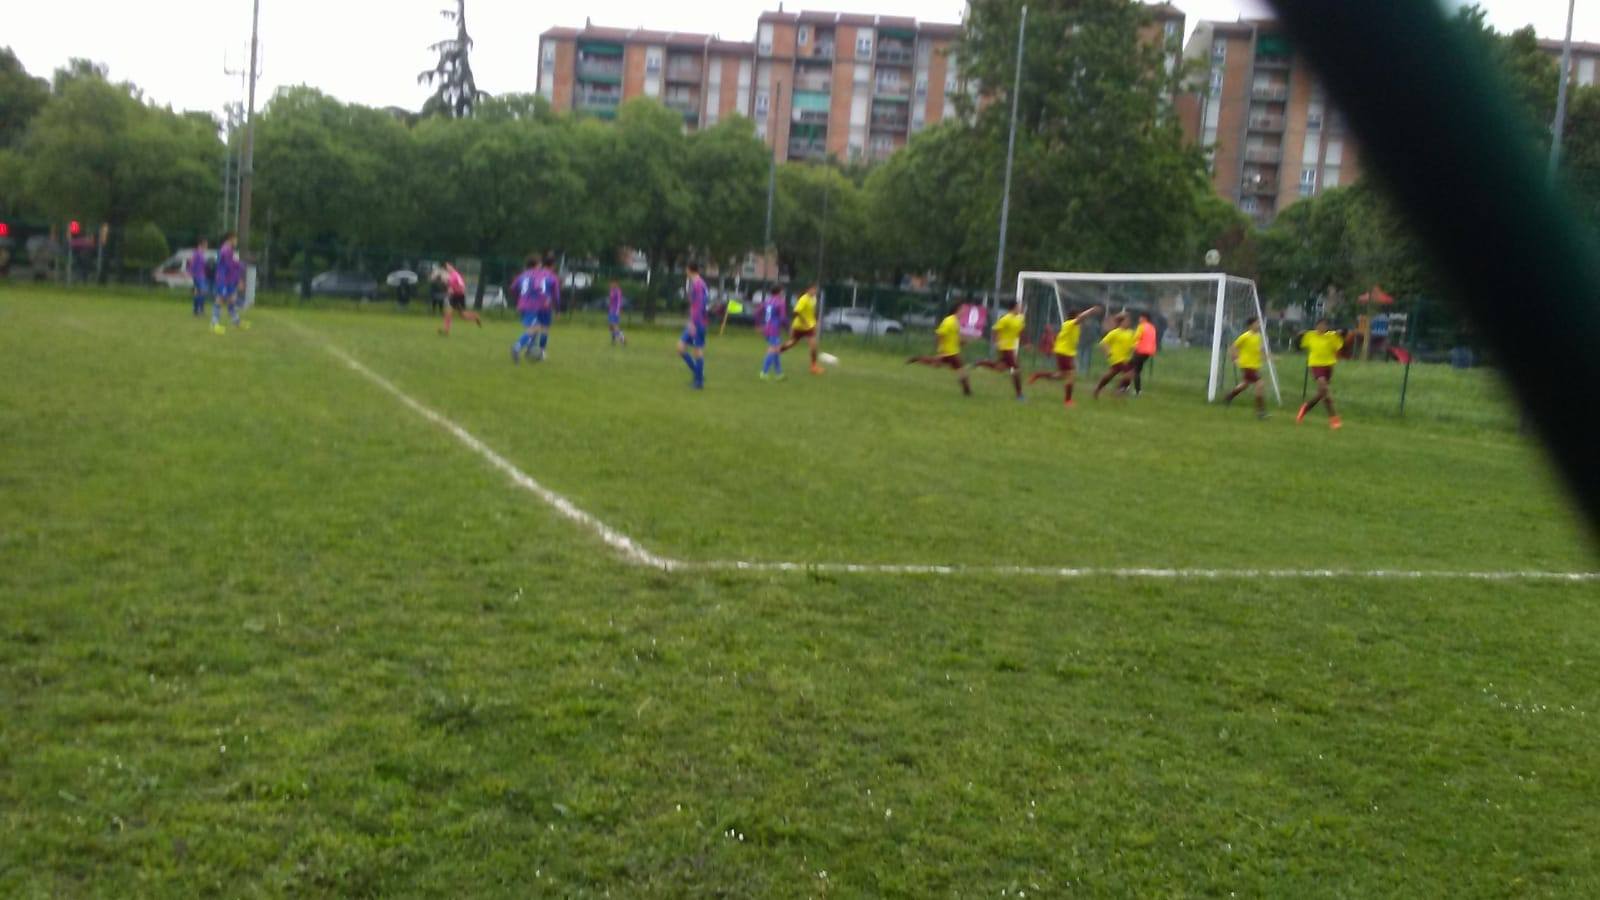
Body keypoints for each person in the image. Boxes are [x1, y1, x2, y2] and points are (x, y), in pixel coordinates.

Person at [1027, 305, 1102, 407]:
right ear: (1075, 316)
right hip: (1064, 352)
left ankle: (1038, 375)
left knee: (1060, 375)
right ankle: (1068, 401)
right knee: (1070, 375)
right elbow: (1081, 318)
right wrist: (1091, 311)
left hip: (1066, 353)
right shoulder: (1070, 324)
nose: (1081, 318)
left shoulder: (1074, 326)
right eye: (1078, 315)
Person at [907, 302, 973, 396]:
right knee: (961, 370)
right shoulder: (949, 321)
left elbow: (954, 338)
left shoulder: (956, 322)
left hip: (953, 352)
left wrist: (963, 342)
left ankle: (917, 359)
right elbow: (940, 335)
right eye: (963, 309)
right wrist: (941, 350)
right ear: (957, 309)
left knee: (935, 363)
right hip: (949, 352)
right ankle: (967, 392)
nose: (964, 311)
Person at [1297, 318, 1344, 429]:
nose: (1322, 327)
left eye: (1324, 325)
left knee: (1322, 394)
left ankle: (1305, 408)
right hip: (1316, 365)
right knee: (1324, 389)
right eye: (1320, 325)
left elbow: (1340, 345)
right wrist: (1299, 336)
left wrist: (1341, 334)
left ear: (1327, 327)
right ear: (1316, 326)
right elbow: (1299, 345)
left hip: (1329, 366)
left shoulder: (1332, 336)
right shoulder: (1310, 335)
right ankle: (1334, 417)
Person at [975, 299, 1026, 400]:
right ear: (1014, 307)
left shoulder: (1020, 318)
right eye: (1019, 306)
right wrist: (996, 342)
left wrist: (1025, 343)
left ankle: (981, 362)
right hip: (1005, 347)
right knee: (1016, 369)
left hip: (1011, 347)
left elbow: (1020, 331)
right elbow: (995, 330)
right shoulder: (1006, 318)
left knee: (999, 368)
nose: (1020, 308)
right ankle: (1019, 395)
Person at [1224, 317, 1270, 419]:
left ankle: (1229, 396)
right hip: (1247, 365)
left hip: (1254, 365)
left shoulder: (1258, 336)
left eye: (1259, 323)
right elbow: (1233, 347)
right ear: (1250, 325)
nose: (1259, 325)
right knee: (1260, 384)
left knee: (1245, 384)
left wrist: (1267, 356)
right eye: (1256, 323)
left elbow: (1258, 350)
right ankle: (1261, 411)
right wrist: (1234, 358)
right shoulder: (1245, 336)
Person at [779, 282, 823, 375]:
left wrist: (815, 321)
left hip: (809, 327)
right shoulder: (803, 299)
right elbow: (796, 312)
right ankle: (776, 352)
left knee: (813, 345)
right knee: (792, 343)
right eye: (813, 289)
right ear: (808, 290)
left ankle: (813, 366)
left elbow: (812, 311)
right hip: (799, 326)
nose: (814, 291)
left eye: (815, 289)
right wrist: (805, 321)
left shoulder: (814, 299)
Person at [1093, 313, 1138, 398]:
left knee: (1111, 374)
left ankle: (1097, 389)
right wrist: (1108, 352)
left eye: (1129, 320)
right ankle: (1119, 390)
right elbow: (1103, 343)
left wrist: (1134, 348)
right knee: (1130, 373)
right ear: (1121, 322)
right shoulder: (1115, 332)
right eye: (1127, 320)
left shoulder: (1131, 332)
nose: (1129, 322)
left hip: (1126, 358)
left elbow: (1132, 344)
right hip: (1116, 358)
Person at [678, 262, 709, 390]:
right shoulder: (697, 283)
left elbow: (700, 305)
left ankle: (699, 382)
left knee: (697, 351)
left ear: (689, 270)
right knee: (680, 348)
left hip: (698, 323)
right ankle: (698, 374)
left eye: (686, 269)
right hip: (695, 322)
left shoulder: (698, 284)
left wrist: (694, 322)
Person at [210, 232, 248, 334]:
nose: (236, 242)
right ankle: (214, 324)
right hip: (223, 279)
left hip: (228, 279)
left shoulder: (228, 250)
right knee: (220, 299)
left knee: (232, 299)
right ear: (230, 239)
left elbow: (230, 264)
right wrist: (239, 268)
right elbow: (229, 265)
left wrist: (238, 267)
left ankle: (236, 322)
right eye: (235, 239)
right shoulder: (226, 250)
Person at [510, 255, 542, 363]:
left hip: (522, 304)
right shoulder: (537, 276)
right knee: (533, 328)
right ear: (536, 265)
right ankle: (517, 347)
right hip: (531, 305)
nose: (540, 267)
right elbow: (540, 290)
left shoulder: (522, 275)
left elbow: (513, 288)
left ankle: (530, 351)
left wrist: (519, 298)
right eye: (539, 264)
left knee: (536, 327)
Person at [438, 261, 481, 336]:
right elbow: (450, 286)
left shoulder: (456, 275)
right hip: (454, 296)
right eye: (446, 267)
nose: (447, 268)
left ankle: (475, 316)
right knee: (459, 315)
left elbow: (462, 287)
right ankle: (475, 317)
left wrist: (454, 290)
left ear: (452, 266)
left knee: (457, 314)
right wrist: (448, 287)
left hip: (459, 297)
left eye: (448, 266)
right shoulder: (450, 275)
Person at [758, 286, 788, 381]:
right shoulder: (781, 302)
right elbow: (783, 318)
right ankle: (764, 372)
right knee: (772, 350)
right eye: (782, 291)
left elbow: (757, 312)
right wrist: (787, 328)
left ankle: (779, 373)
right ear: (779, 292)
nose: (783, 293)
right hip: (774, 329)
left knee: (776, 351)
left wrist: (758, 324)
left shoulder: (767, 301)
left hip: (766, 328)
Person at [1131, 312, 1158, 395]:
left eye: (1140, 317)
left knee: (1134, 370)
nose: (1139, 319)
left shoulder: (1141, 326)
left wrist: (1132, 346)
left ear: (1144, 318)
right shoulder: (1152, 327)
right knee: (1136, 369)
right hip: (1149, 352)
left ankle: (1136, 390)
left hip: (1140, 350)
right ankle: (1134, 388)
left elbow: (1136, 337)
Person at [188, 238, 210, 317]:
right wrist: (191, 272)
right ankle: (200, 310)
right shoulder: (197, 253)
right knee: (202, 292)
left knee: (198, 293)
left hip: (201, 275)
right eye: (206, 244)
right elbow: (191, 262)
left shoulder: (201, 253)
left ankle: (196, 310)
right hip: (198, 275)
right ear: (201, 244)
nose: (207, 246)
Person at [607, 280, 627, 346]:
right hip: (611, 310)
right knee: (611, 327)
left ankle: (622, 338)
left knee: (614, 326)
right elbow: (611, 301)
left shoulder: (618, 291)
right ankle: (614, 340)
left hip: (615, 311)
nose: (611, 285)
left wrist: (618, 310)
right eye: (610, 283)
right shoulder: (612, 291)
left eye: (612, 283)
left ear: (616, 284)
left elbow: (619, 302)